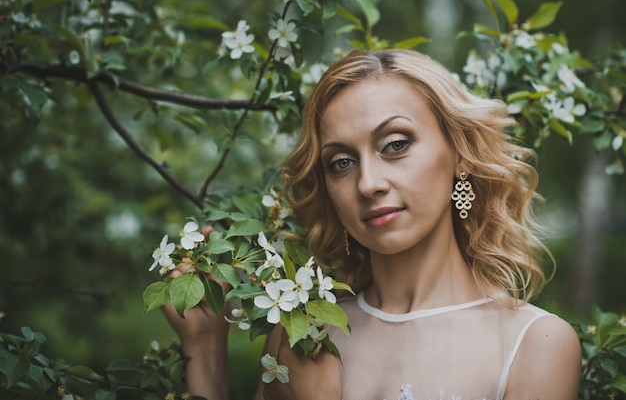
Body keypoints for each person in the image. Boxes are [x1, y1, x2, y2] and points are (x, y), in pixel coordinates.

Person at [162, 49, 582, 400]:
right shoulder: (301, 332)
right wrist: (204, 347)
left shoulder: (534, 344)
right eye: (341, 163)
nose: (367, 183)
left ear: (460, 156)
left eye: (396, 145)